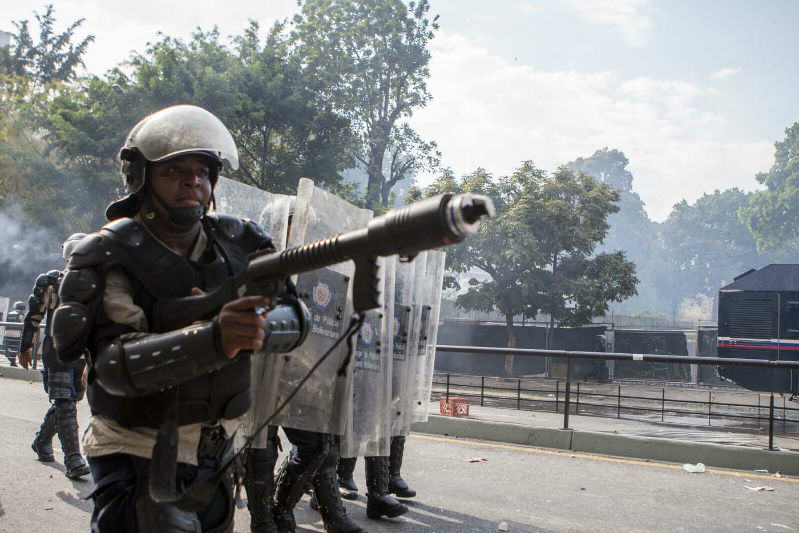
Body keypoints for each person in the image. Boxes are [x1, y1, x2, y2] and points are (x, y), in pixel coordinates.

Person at [51, 104, 300, 532]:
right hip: (138, 449)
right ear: (142, 180)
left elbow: (295, 317)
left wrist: (259, 326)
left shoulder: (238, 242)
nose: (193, 181)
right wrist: (215, 338)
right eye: (174, 171)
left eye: (203, 171)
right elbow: (113, 364)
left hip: (218, 450)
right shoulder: (110, 251)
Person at [20, 234, 91, 479]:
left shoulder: (98, 284)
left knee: (69, 401)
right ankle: (73, 459)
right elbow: (33, 317)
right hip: (57, 353)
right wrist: (25, 347)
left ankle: (41, 441)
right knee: (65, 403)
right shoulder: (51, 282)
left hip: (81, 356)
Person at [4, 301, 26, 366]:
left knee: (8, 348)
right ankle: (13, 362)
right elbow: (23, 325)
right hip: (16, 335)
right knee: (15, 348)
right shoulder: (20, 315)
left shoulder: (10, 313)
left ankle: (11, 360)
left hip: (7, 334)